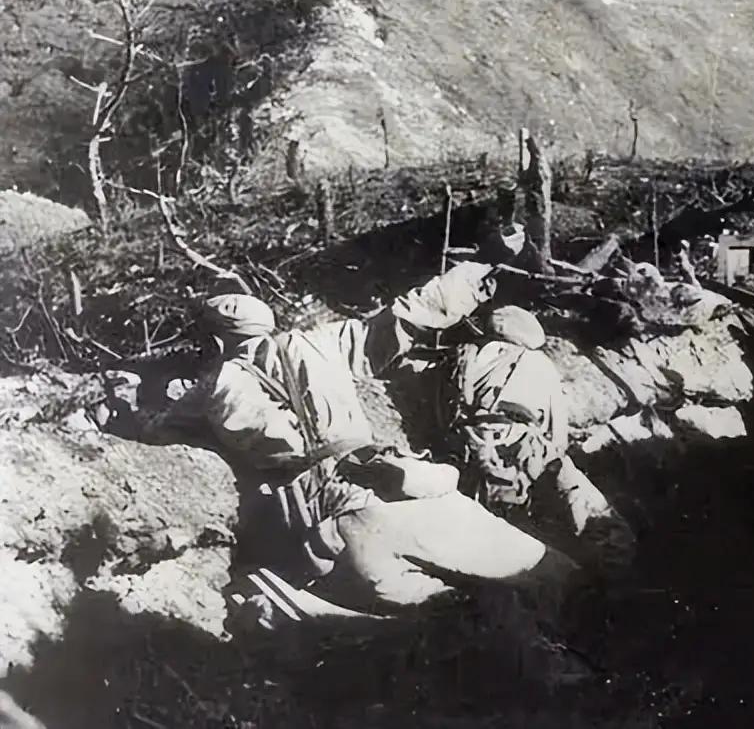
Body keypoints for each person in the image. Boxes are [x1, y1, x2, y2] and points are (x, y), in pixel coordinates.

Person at [160, 260, 581, 626]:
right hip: (392, 489)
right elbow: (405, 318)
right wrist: (472, 278)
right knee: (553, 577)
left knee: (453, 621)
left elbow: (155, 432)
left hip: (326, 534)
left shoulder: (208, 391)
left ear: (216, 343)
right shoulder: (318, 342)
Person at [438, 304, 636, 573]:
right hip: (519, 446)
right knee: (595, 513)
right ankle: (613, 574)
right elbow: (558, 437)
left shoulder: (463, 356)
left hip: (469, 449)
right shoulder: (538, 363)